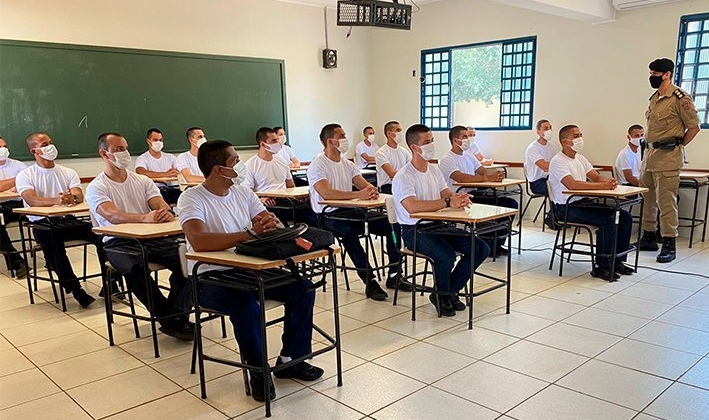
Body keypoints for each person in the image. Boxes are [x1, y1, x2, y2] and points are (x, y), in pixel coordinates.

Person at [178, 140, 323, 402]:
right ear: (218, 169)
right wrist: (248, 234)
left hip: (251, 268)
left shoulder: (243, 193)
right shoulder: (192, 197)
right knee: (246, 305)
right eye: (234, 161)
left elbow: (269, 223)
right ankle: (258, 371)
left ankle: (292, 358)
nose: (239, 165)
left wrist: (273, 223)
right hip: (211, 276)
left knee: (303, 288)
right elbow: (198, 240)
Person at [87, 132, 193, 340]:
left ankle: (175, 314)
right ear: (104, 154)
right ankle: (170, 318)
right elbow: (112, 215)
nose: (124, 153)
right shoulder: (97, 187)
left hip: (155, 238)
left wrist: (164, 212)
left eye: (125, 148)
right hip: (118, 242)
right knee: (136, 269)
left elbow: (158, 203)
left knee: (190, 262)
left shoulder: (142, 181)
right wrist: (144, 218)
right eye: (118, 149)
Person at [392, 124, 490, 316]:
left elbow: (445, 192)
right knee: (446, 255)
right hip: (414, 230)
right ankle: (443, 294)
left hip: (438, 224)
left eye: (432, 141)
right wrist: (446, 201)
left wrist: (457, 198)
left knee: (480, 248)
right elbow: (412, 206)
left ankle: (446, 292)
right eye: (426, 142)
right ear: (414, 147)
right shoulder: (404, 175)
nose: (431, 145)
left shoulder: (433, 170)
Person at [308, 123, 407, 300]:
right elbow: (325, 193)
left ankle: (394, 273)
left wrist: (371, 190)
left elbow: (362, 183)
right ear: (331, 141)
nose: (346, 140)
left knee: (392, 225)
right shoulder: (318, 165)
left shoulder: (347, 164)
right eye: (342, 136)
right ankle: (370, 281)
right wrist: (358, 194)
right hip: (329, 216)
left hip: (353, 211)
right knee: (349, 234)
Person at [15, 133, 101, 308]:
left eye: (51, 143)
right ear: (34, 150)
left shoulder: (67, 172)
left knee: (101, 235)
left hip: (67, 220)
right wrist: (57, 200)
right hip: (42, 223)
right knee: (54, 248)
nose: (50, 147)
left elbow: (78, 193)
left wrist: (73, 197)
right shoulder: (26, 175)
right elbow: (31, 199)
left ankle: (111, 282)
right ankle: (76, 290)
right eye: (44, 144)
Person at [549, 125, 633, 281]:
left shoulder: (580, 158)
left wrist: (608, 182)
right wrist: (602, 186)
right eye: (576, 136)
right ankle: (602, 266)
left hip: (584, 202)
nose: (580, 138)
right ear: (565, 141)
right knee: (607, 220)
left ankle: (618, 261)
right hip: (565, 208)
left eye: (581, 134)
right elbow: (572, 185)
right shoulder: (557, 161)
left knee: (624, 217)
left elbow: (595, 177)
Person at [638, 58, 701, 263]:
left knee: (666, 202)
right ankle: (648, 236)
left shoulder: (679, 98)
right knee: (647, 198)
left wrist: (678, 144)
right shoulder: (655, 97)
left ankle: (668, 243)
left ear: (667, 74)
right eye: (650, 73)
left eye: (656, 74)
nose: (652, 77)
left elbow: (694, 127)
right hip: (650, 155)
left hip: (668, 156)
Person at [439, 125, 517, 255]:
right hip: (461, 197)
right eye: (464, 137)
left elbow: (482, 171)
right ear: (455, 140)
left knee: (510, 204)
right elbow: (461, 178)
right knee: (498, 205)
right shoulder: (447, 159)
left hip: (476, 192)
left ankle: (497, 244)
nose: (468, 139)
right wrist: (487, 178)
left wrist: (495, 175)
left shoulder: (469, 156)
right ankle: (488, 243)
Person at [242, 127, 317, 226]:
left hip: (287, 201)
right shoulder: (250, 165)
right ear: (263, 144)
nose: (278, 143)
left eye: (277, 140)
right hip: (268, 203)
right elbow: (247, 193)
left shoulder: (282, 162)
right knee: (280, 225)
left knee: (313, 217)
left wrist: (299, 197)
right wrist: (261, 199)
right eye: (274, 140)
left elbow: (291, 186)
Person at [0, 136, 28, 278]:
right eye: (0, 148)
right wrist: (17, 179)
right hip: (1, 207)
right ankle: (17, 262)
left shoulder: (18, 165)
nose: (3, 150)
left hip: (20, 204)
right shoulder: (20, 172)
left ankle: (50, 257)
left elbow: (29, 186)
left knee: (39, 218)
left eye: (4, 146)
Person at [134, 128, 181, 204]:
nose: (158, 142)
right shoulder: (142, 158)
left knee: (185, 194)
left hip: (170, 188)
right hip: (154, 190)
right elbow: (140, 172)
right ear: (148, 141)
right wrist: (165, 175)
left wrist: (175, 173)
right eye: (155, 140)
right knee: (162, 194)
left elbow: (179, 171)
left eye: (160, 140)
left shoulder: (170, 157)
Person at [375, 121, 411, 194]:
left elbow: (413, 167)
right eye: (398, 130)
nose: (400, 133)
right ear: (389, 134)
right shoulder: (381, 152)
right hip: (388, 187)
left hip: (404, 185)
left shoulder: (404, 151)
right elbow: (391, 174)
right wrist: (407, 172)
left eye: (400, 130)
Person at [524, 119, 557, 195]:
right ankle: (557, 207)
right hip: (537, 182)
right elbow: (545, 166)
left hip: (550, 178)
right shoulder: (533, 148)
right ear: (538, 132)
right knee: (558, 189)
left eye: (550, 128)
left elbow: (558, 162)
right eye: (546, 128)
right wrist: (557, 165)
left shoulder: (553, 146)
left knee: (564, 185)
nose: (549, 131)